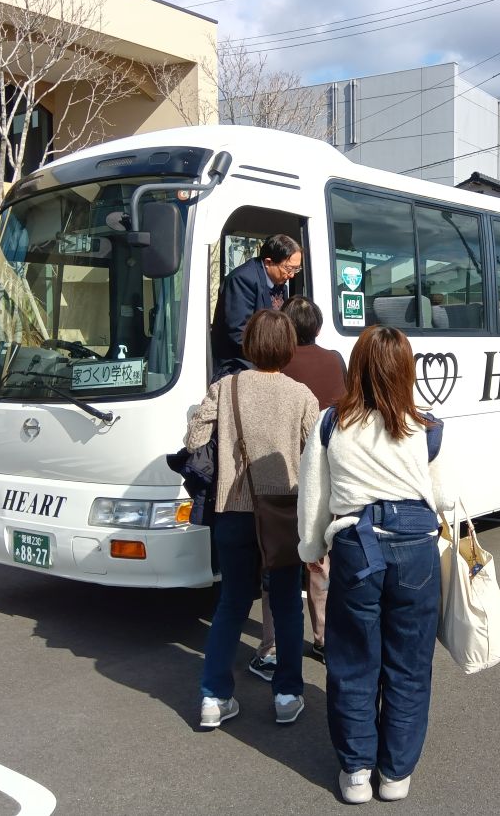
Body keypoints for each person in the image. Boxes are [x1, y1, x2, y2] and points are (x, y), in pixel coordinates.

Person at [297, 325, 455, 804]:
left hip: (356, 549)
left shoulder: (331, 423)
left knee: (352, 664)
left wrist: (310, 551)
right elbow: (445, 497)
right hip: (416, 552)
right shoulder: (424, 426)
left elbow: (313, 501)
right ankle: (396, 774)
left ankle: (357, 773)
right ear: (406, 370)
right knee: (408, 666)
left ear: (357, 367)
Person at [185, 310, 319, 729]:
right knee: (284, 605)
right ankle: (286, 694)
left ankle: (214, 697)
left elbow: (193, 441)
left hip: (233, 510)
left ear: (249, 344)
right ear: (288, 347)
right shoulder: (301, 395)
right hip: (283, 514)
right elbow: (315, 455)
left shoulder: (224, 388)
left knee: (232, 603)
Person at [280, 295, 346, 664]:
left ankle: (279, 639)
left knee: (290, 559)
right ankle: (323, 636)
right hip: (331, 470)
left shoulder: (277, 366)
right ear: (319, 327)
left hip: (289, 471)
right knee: (323, 559)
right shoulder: (335, 360)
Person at [211, 234, 303, 381]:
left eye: (296, 269)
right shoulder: (243, 280)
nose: (291, 275)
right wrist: (271, 357)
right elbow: (238, 332)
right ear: (268, 262)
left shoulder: (279, 282)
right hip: (240, 365)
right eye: (288, 268)